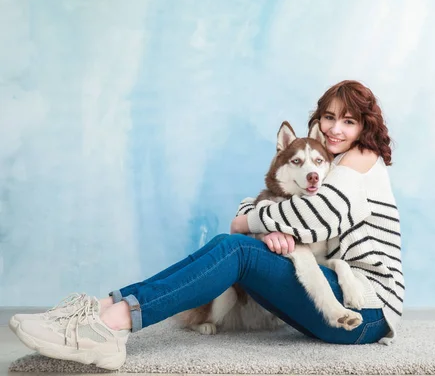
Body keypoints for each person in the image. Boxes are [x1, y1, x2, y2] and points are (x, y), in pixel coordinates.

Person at [10, 80, 405, 370]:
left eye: (349, 122)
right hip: (336, 302)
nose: (337, 129)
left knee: (235, 248)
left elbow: (313, 220)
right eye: (329, 118)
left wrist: (246, 220)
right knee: (232, 247)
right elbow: (271, 198)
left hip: (366, 308)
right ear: (317, 122)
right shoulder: (327, 165)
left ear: (364, 129)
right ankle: (102, 307)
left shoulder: (360, 161)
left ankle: (114, 322)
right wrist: (259, 218)